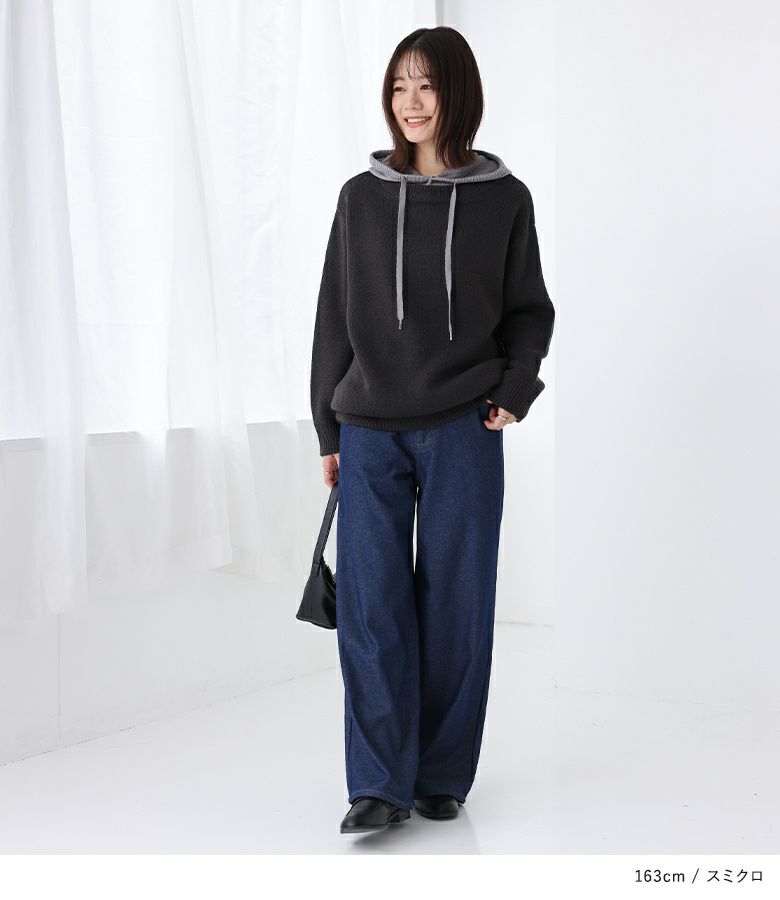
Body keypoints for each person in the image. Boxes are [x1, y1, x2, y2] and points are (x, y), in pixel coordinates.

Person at [310, 26, 555, 834]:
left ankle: (441, 775)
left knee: (458, 603)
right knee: (371, 609)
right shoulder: (361, 196)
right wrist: (327, 429)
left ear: (458, 94)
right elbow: (333, 316)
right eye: (398, 86)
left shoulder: (505, 199)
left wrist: (515, 390)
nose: (410, 103)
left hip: (463, 424)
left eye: (426, 85)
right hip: (368, 426)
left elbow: (528, 310)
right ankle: (378, 785)